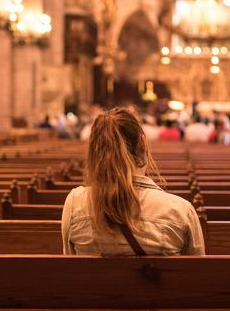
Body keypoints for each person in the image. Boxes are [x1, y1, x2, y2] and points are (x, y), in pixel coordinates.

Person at [61, 107, 204, 257]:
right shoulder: (180, 211)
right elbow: (196, 275)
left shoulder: (74, 203)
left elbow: (71, 265)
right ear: (142, 143)